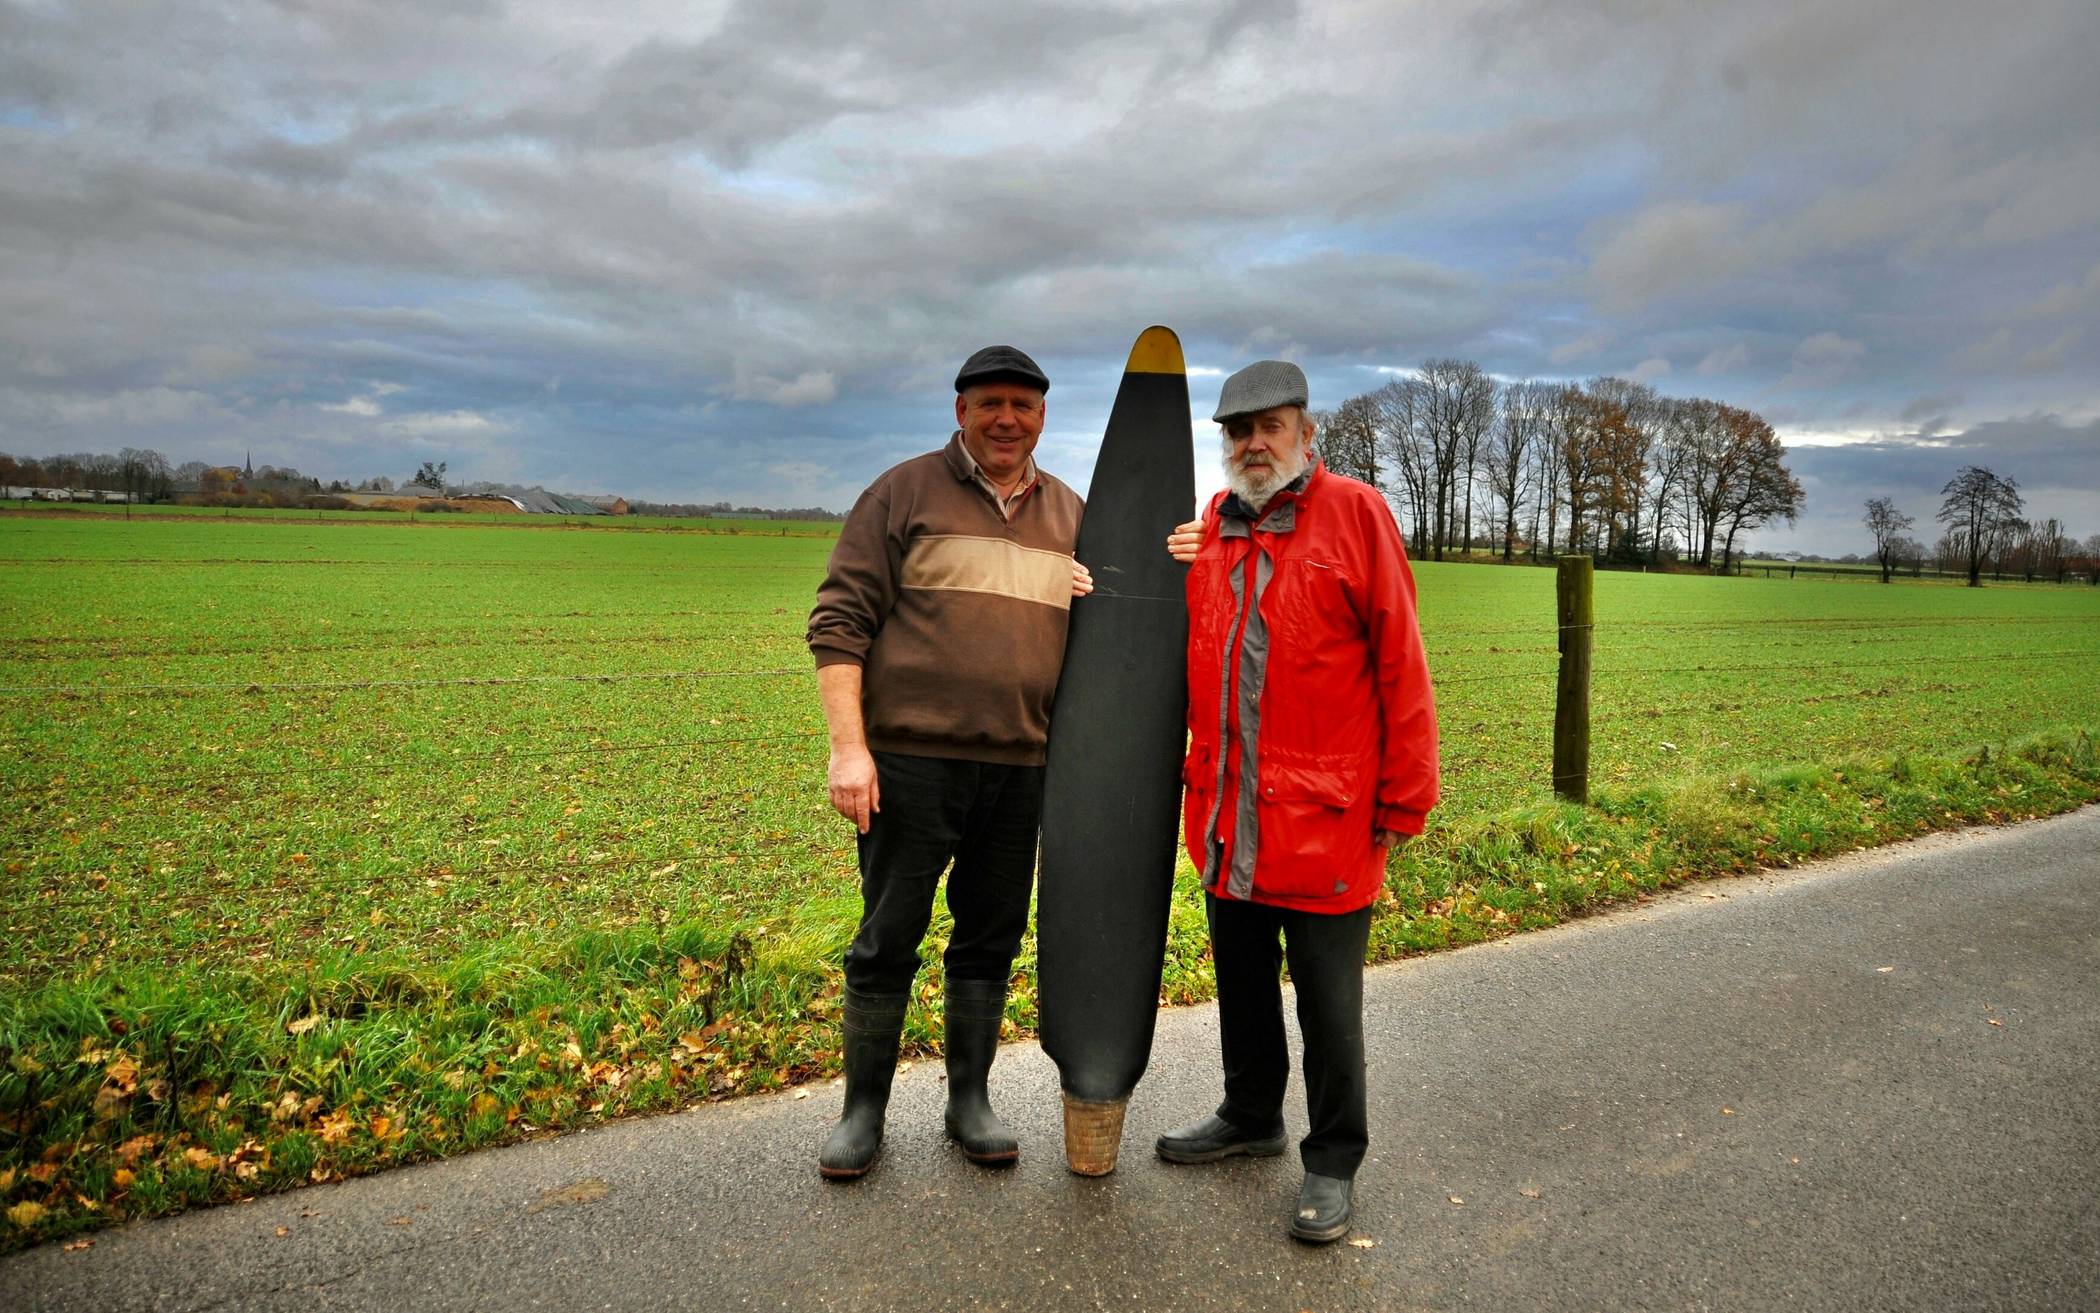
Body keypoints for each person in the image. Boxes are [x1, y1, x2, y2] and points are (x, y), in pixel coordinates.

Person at [1159, 359, 1439, 1242]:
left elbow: (1401, 661)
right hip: (1229, 813)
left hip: (1328, 817)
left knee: (1327, 1004)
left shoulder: (1355, 513)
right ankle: (1251, 1115)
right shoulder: (1214, 527)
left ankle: (1333, 1159)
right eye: (1238, 430)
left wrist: (1405, 797)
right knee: (1241, 984)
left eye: (1269, 426)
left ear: (1306, 433)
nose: (1253, 443)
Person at [805, 344, 1092, 1179]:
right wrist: (849, 749)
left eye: (1023, 405)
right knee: (888, 934)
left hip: (1022, 768)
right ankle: (863, 1112)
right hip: (910, 762)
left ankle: (969, 1100)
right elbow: (839, 623)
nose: (1007, 419)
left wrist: (1188, 548)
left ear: (1043, 416)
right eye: (989, 403)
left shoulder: (1072, 513)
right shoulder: (901, 493)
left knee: (990, 936)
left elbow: (1112, 625)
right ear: (960, 410)